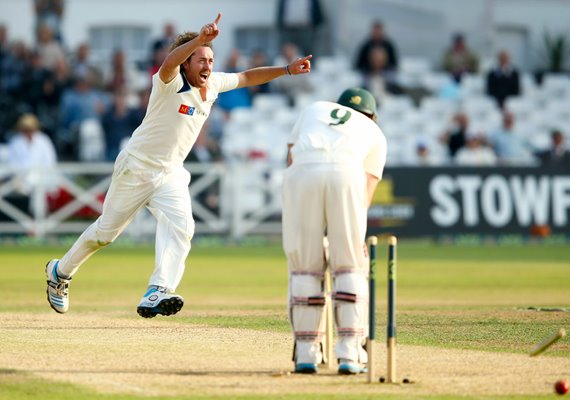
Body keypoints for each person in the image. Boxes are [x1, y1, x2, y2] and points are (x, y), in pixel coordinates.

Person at [45, 13, 312, 318]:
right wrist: (199, 39)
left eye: (211, 60)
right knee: (105, 234)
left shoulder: (212, 84)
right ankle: (60, 272)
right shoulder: (168, 82)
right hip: (137, 167)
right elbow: (169, 63)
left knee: (183, 227)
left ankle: (157, 290)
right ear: (187, 62)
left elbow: (248, 77)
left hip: (170, 172)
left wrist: (287, 70)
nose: (208, 66)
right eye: (201, 59)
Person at [282, 88, 387, 375]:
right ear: (373, 117)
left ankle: (306, 354)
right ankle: (351, 355)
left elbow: (291, 158)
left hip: (302, 172)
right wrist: (350, 240)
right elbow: (363, 196)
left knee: (305, 267)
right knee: (349, 266)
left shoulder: (316, 109)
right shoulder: (374, 132)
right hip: (347, 174)